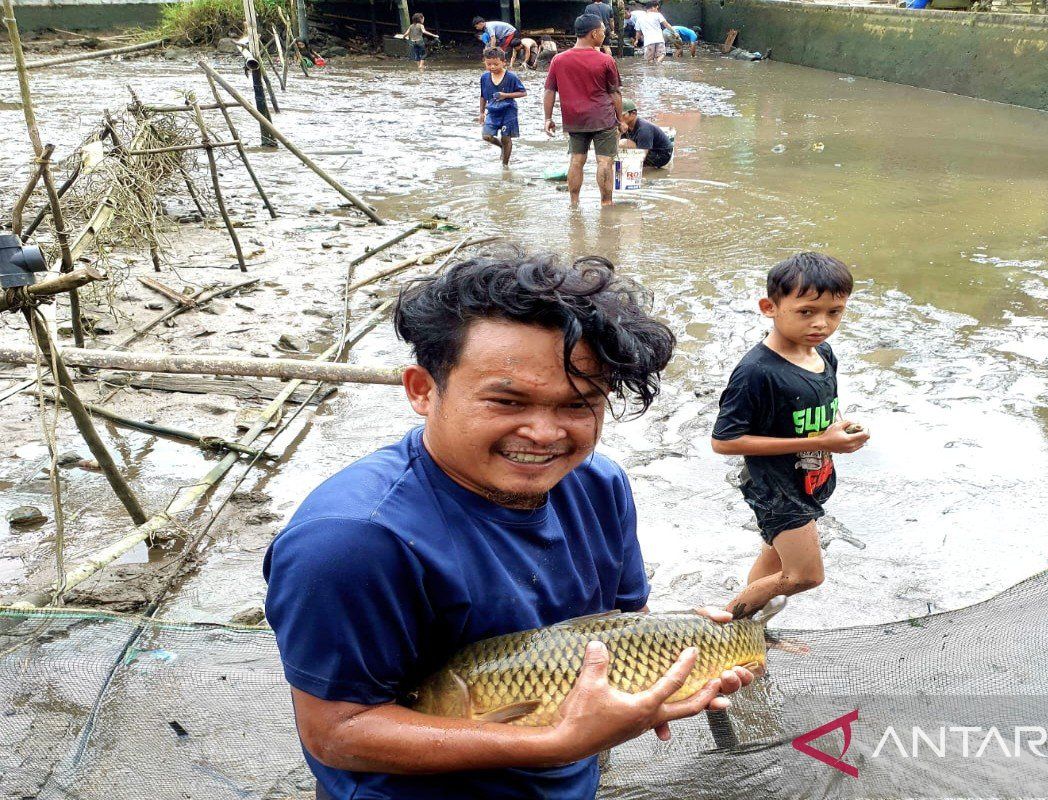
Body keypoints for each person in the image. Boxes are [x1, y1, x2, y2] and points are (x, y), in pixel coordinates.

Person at [265, 249, 756, 799]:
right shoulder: (352, 541)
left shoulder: (598, 483)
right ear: (423, 390)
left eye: (578, 405)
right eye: (507, 400)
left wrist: (678, 647)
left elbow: (617, 622)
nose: (544, 434)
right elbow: (338, 734)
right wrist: (557, 744)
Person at [711, 252, 870, 620]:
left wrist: (841, 431)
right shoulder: (756, 372)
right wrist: (819, 443)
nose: (822, 323)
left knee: (773, 562)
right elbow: (724, 441)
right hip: (776, 487)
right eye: (806, 311)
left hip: (809, 479)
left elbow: (820, 410)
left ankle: (754, 629)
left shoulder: (823, 354)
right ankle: (727, 624)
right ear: (770, 307)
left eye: (834, 312)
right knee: (804, 576)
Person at [544, 14, 623, 206]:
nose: (604, 34)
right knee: (604, 162)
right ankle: (606, 203)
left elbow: (549, 91)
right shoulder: (605, 60)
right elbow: (615, 94)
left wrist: (548, 118)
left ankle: (574, 202)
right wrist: (620, 119)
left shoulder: (558, 60)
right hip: (602, 118)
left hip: (574, 118)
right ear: (594, 33)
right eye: (603, 30)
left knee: (577, 160)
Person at [479, 47, 527, 167]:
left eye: (495, 64)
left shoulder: (511, 77)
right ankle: (501, 146)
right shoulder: (484, 78)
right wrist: (481, 113)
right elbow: (483, 96)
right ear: (484, 62)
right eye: (489, 64)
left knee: (506, 137)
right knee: (486, 136)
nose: (492, 67)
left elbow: (523, 92)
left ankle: (505, 165)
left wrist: (505, 95)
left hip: (508, 110)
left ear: (503, 62)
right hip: (492, 110)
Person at [618, 99, 673, 169]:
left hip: (661, 155)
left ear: (633, 114)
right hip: (648, 149)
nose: (619, 118)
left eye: (622, 115)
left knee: (623, 143)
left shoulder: (644, 128)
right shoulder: (626, 125)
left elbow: (642, 154)